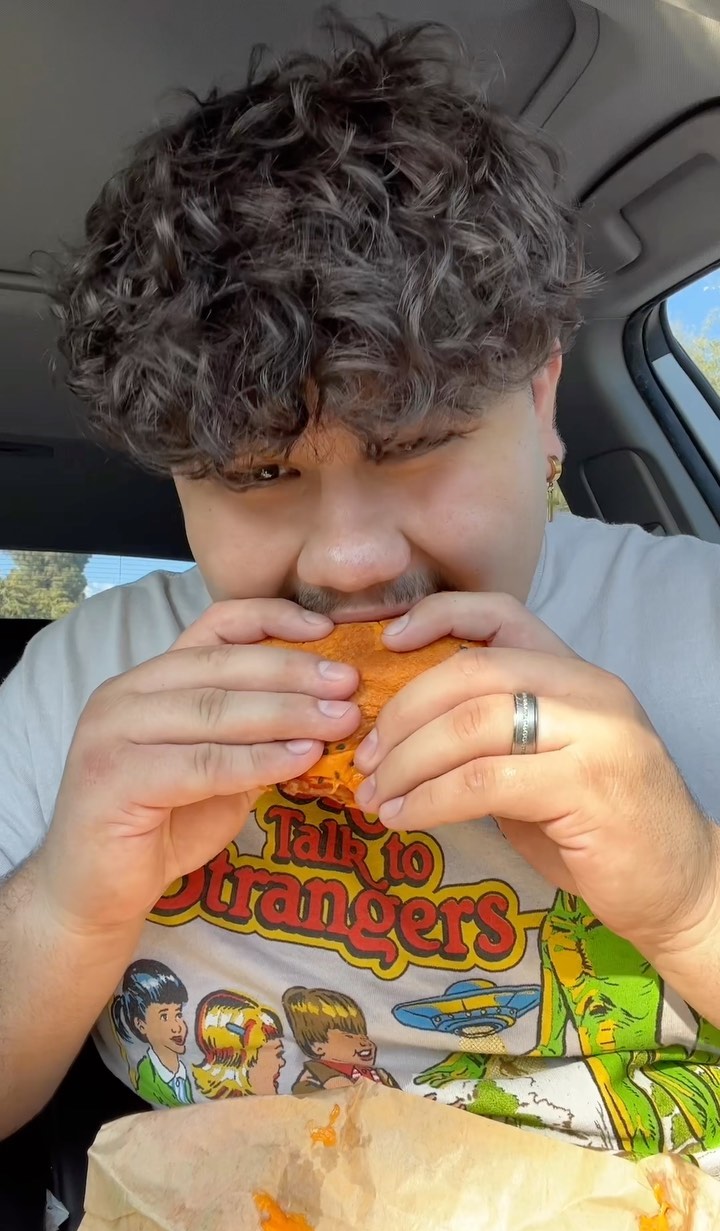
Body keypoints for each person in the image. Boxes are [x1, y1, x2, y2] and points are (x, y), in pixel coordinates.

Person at [2, 13, 720, 1172]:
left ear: (542, 401)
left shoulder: (703, 625)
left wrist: (691, 895)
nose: (347, 560)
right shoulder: (83, 680)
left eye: (416, 442)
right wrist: (68, 903)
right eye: (257, 475)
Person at [109, 959, 193, 1106]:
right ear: (140, 1024)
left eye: (178, 1014)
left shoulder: (182, 1073)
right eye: (164, 1017)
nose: (177, 1027)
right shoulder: (148, 1075)